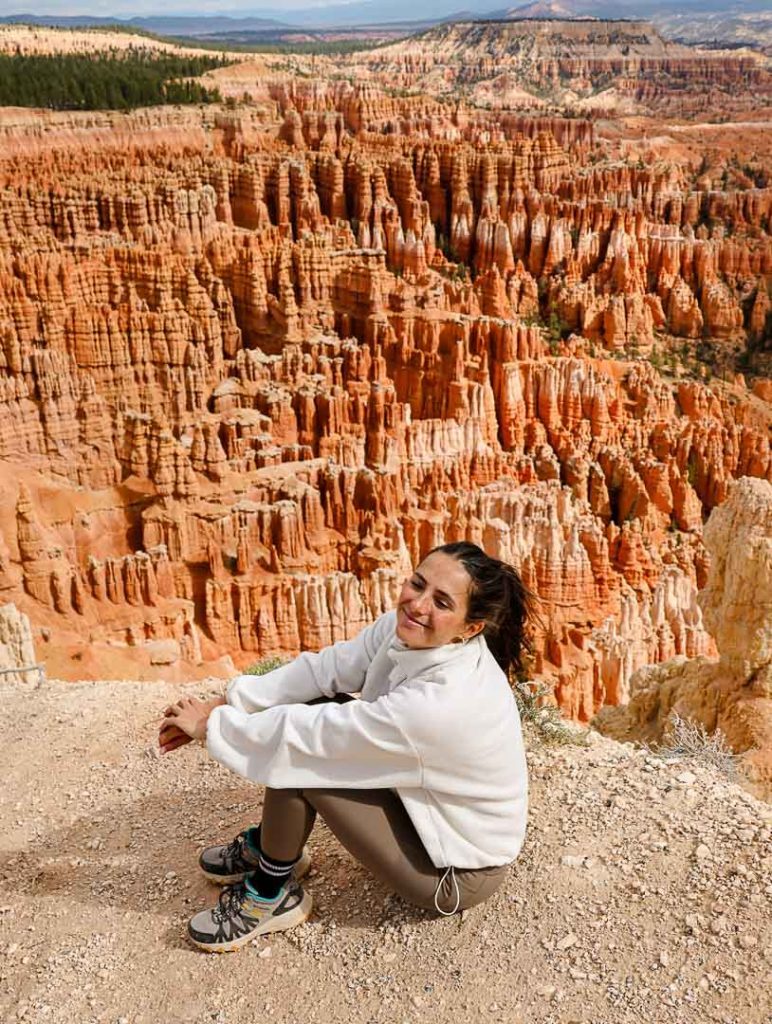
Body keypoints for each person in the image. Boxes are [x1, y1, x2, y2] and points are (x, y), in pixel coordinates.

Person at [159, 541, 531, 953]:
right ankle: (275, 850)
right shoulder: (409, 635)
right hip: (422, 816)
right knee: (310, 720)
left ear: (470, 627)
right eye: (418, 584)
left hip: (452, 874)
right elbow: (327, 669)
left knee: (306, 755)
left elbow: (311, 738)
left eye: (442, 602)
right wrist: (231, 701)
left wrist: (211, 727)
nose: (418, 604)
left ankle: (270, 893)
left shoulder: (441, 703)